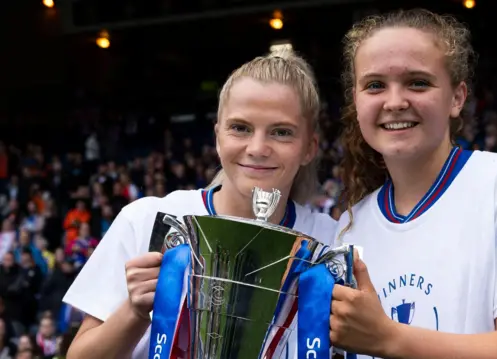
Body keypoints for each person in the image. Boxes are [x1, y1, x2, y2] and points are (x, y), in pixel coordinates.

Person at [328, 9, 497, 359]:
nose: (395, 101)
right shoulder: (348, 231)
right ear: (356, 101)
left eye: (418, 82)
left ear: (457, 98)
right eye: (374, 85)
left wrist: (389, 337)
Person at [62, 49, 336, 359]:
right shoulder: (145, 219)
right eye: (241, 128)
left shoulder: (332, 241)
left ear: (310, 147)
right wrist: (135, 312)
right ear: (218, 136)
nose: (258, 148)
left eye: (281, 132)